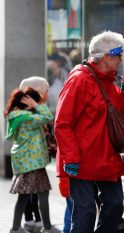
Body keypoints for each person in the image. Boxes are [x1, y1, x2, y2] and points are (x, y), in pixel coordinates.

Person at [54, 30, 124, 233]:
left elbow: (117, 116)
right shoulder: (79, 79)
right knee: (85, 214)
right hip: (82, 160)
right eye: (119, 55)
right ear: (107, 56)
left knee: (116, 205)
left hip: (105, 157)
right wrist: (71, 158)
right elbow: (62, 123)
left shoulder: (108, 80)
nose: (121, 60)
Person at [4, 87, 55, 233]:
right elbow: (48, 118)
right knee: (43, 193)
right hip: (34, 163)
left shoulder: (16, 116)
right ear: (28, 102)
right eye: (35, 101)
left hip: (24, 163)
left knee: (23, 196)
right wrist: (36, 105)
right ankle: (47, 228)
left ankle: (15, 228)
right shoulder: (27, 118)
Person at [19, 77, 53, 233]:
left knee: (33, 191)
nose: (48, 93)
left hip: (34, 159)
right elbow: (47, 120)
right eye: (45, 90)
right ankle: (32, 220)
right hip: (29, 159)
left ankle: (36, 220)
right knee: (29, 190)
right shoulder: (27, 112)